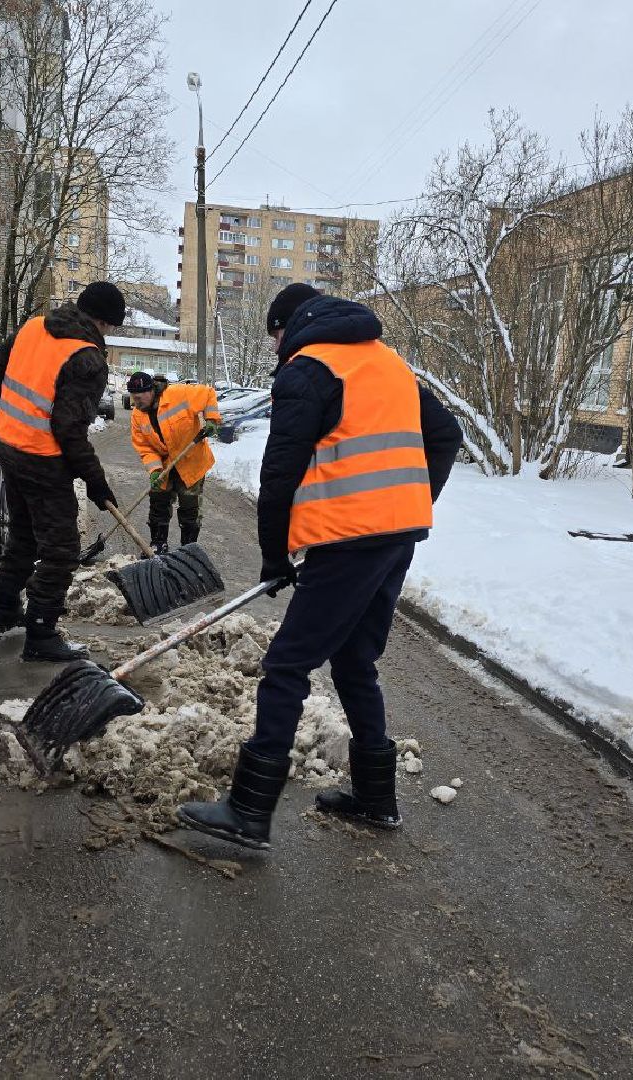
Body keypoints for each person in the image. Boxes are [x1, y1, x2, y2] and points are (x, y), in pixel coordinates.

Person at [177, 284, 463, 850]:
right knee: (356, 660)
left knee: (286, 664)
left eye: (274, 335)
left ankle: (249, 811)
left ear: (288, 326)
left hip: (352, 538)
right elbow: (446, 434)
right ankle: (376, 800)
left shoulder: (309, 368)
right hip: (397, 534)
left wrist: (273, 556)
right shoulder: (388, 362)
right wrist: (410, 502)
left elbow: (279, 473)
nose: (276, 346)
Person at [0, 282, 121, 662]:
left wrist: (16, 417)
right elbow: (68, 428)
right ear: (104, 321)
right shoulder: (87, 357)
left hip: (9, 449)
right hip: (43, 461)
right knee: (61, 551)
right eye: (111, 327)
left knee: (24, 537)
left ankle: (6, 609)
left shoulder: (33, 327)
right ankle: (41, 634)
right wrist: (95, 479)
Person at [126, 370, 221, 553]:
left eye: (139, 398)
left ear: (150, 390)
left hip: (191, 459)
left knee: (189, 506)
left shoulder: (178, 394)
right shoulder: (137, 416)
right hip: (164, 466)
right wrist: (154, 470)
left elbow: (208, 393)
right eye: (133, 397)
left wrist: (211, 420)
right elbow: (145, 447)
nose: (135, 403)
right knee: (158, 503)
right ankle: (158, 543)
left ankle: (188, 548)